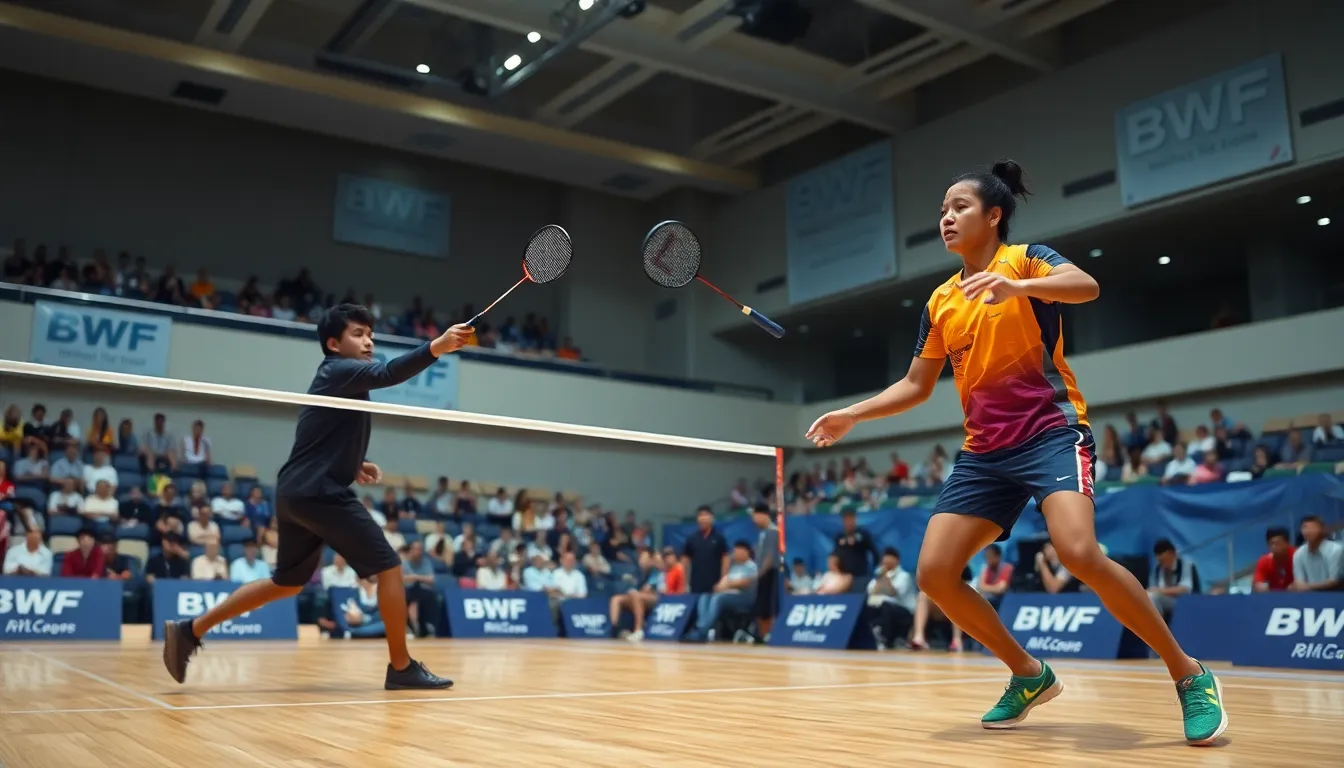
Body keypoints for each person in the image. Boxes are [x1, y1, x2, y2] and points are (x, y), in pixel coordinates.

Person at [803, 159, 1226, 745]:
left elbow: (1088, 286)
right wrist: (854, 412)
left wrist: (1021, 287)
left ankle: (1188, 674)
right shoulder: (941, 301)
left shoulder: (1027, 259)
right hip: (984, 453)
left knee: (1078, 552)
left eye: (960, 207)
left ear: (993, 214)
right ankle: (1028, 673)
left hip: (1051, 431)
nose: (947, 218)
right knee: (934, 574)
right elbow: (916, 385)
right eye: (943, 210)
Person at [161, 304, 474, 690]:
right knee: (390, 566)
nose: (368, 340)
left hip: (296, 492)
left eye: (370, 334)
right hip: (320, 493)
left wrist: (354, 461)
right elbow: (389, 372)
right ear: (333, 343)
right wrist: (437, 347)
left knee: (287, 583)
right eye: (358, 334)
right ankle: (401, 666)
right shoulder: (340, 370)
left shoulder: (339, 380)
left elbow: (319, 433)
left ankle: (190, 631)